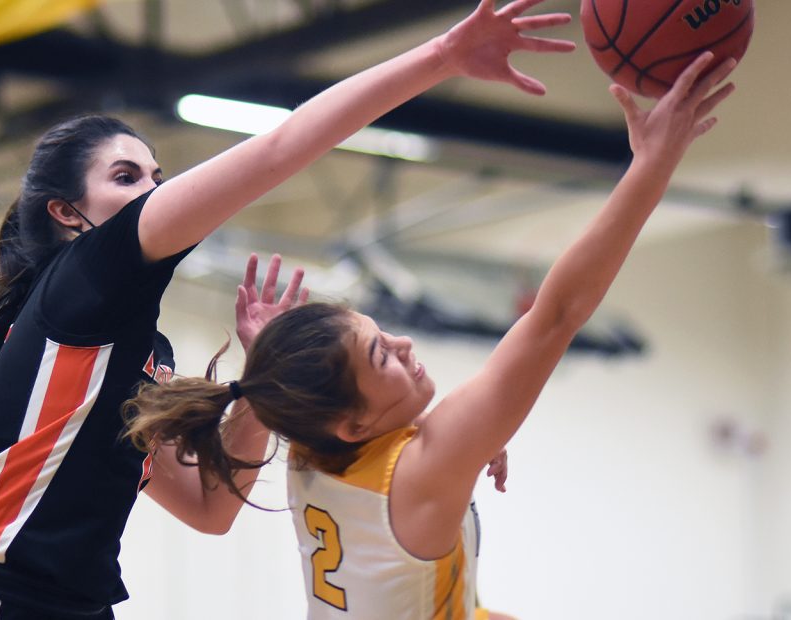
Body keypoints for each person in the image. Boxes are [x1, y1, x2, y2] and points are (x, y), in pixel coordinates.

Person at [0, 0, 577, 617]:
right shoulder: (83, 280)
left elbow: (210, 508)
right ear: (66, 213)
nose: (152, 192)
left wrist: (259, 380)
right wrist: (443, 55)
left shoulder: (131, 349)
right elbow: (282, 148)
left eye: (156, 177)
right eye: (125, 177)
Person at [125, 51, 738, 619]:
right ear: (353, 423)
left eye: (381, 335)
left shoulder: (316, 441)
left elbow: (302, 399)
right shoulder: (417, 466)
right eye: (381, 357)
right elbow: (556, 315)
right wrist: (651, 165)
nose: (405, 346)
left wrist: (274, 363)